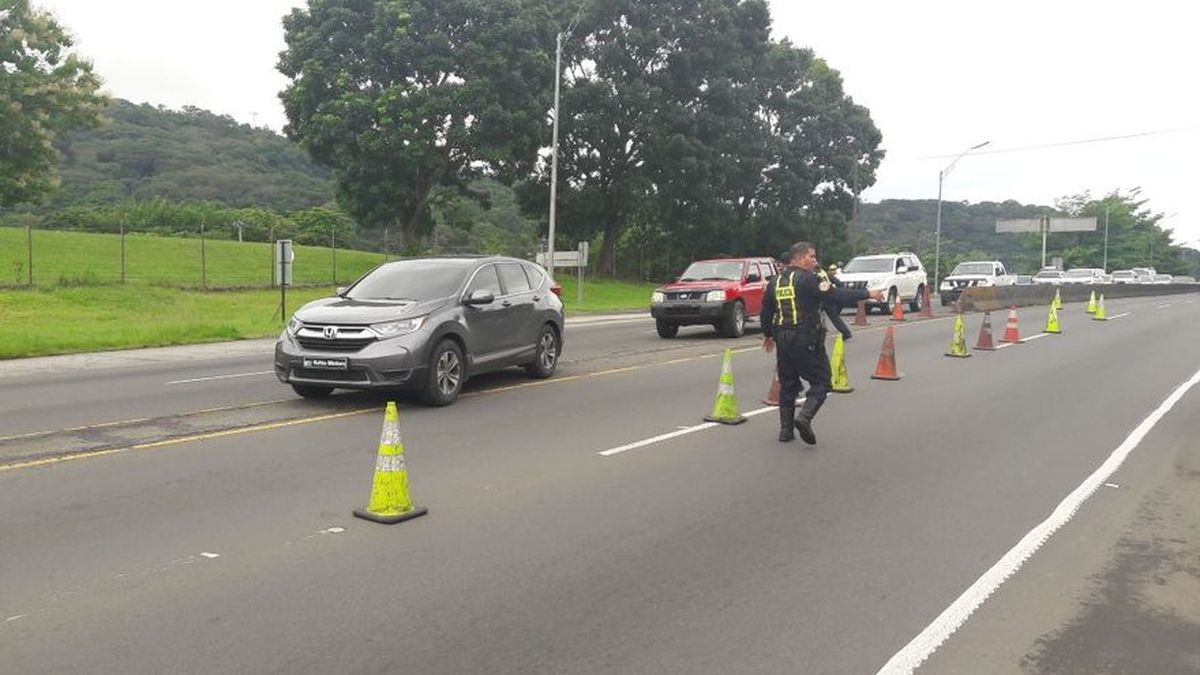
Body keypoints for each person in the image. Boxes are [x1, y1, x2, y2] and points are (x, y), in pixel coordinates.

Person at [762, 241, 882, 444]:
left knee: (788, 384)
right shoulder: (809, 279)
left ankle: (786, 431)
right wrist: (868, 294)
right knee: (822, 381)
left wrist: (768, 335)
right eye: (811, 256)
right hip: (806, 338)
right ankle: (804, 417)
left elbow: (766, 311)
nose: (814, 261)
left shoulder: (776, 282)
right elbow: (836, 296)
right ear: (799, 258)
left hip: (783, 340)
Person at [816, 260, 853, 341]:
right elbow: (839, 283)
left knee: (816, 315)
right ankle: (846, 333)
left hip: (821, 298)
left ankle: (819, 332)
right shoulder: (825, 273)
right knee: (835, 317)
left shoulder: (814, 276)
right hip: (830, 296)